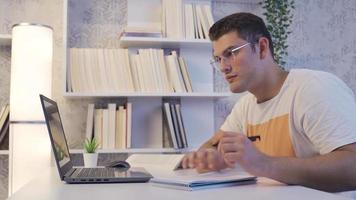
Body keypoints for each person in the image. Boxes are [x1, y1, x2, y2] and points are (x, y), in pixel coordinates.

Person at [181, 12, 356, 192]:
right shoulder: (245, 106)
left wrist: (264, 164)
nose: (223, 67)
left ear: (262, 48)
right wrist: (213, 157)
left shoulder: (314, 88)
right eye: (218, 59)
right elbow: (212, 144)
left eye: (231, 53)